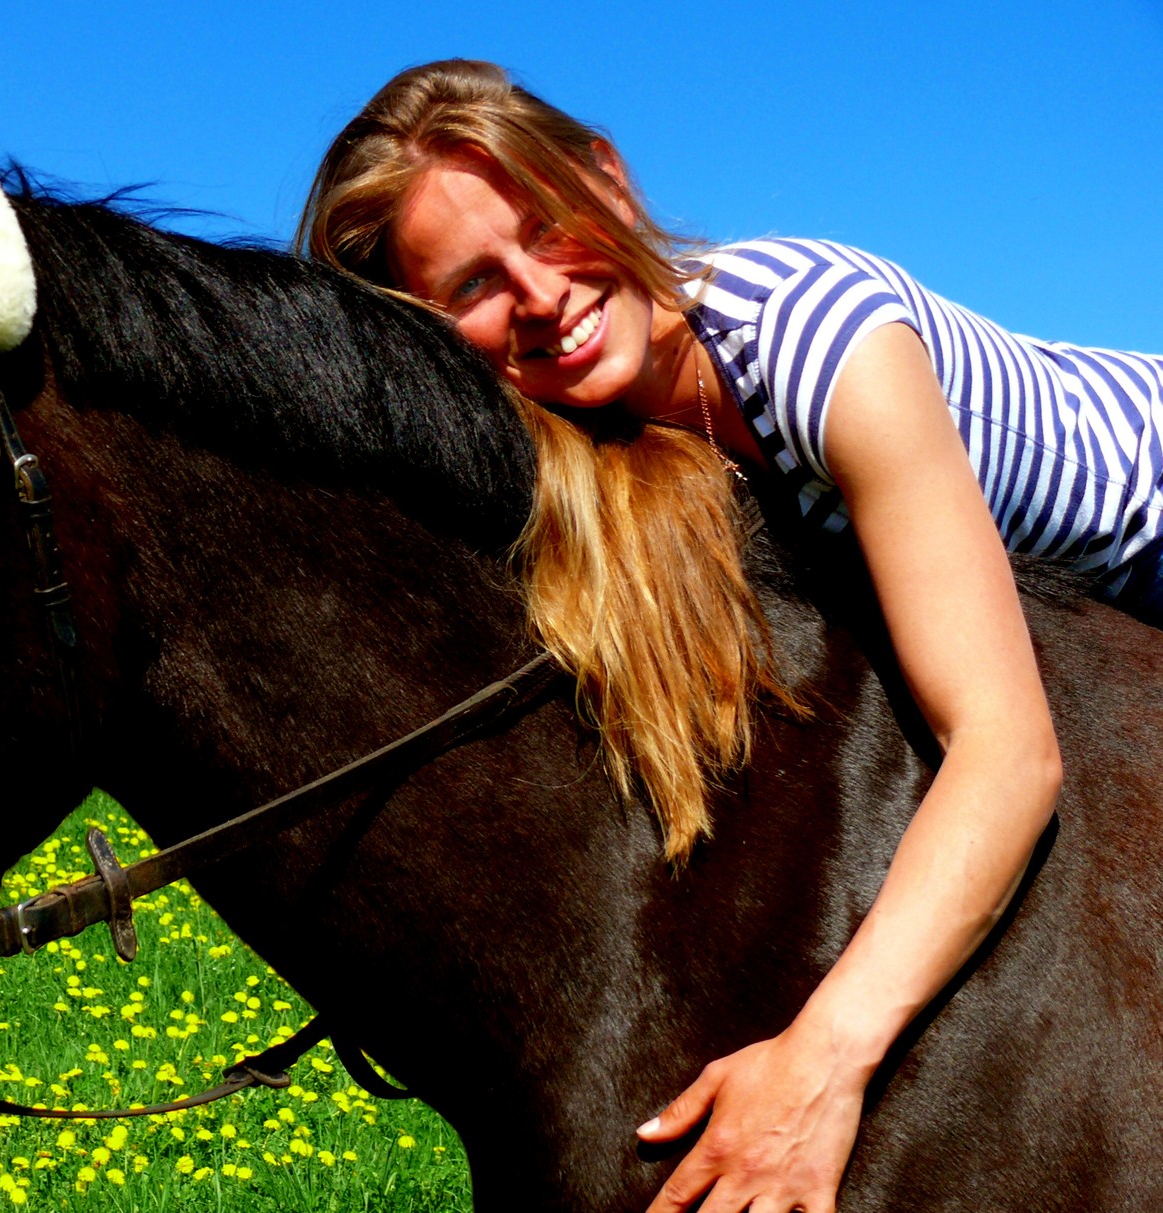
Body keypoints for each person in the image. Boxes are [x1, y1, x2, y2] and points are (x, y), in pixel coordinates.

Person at [293, 58, 1161, 1213]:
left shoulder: (814, 340)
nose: (538, 292)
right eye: (472, 286)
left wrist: (820, 1061)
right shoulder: (601, 446)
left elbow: (1009, 751)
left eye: (546, 227)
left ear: (607, 178)